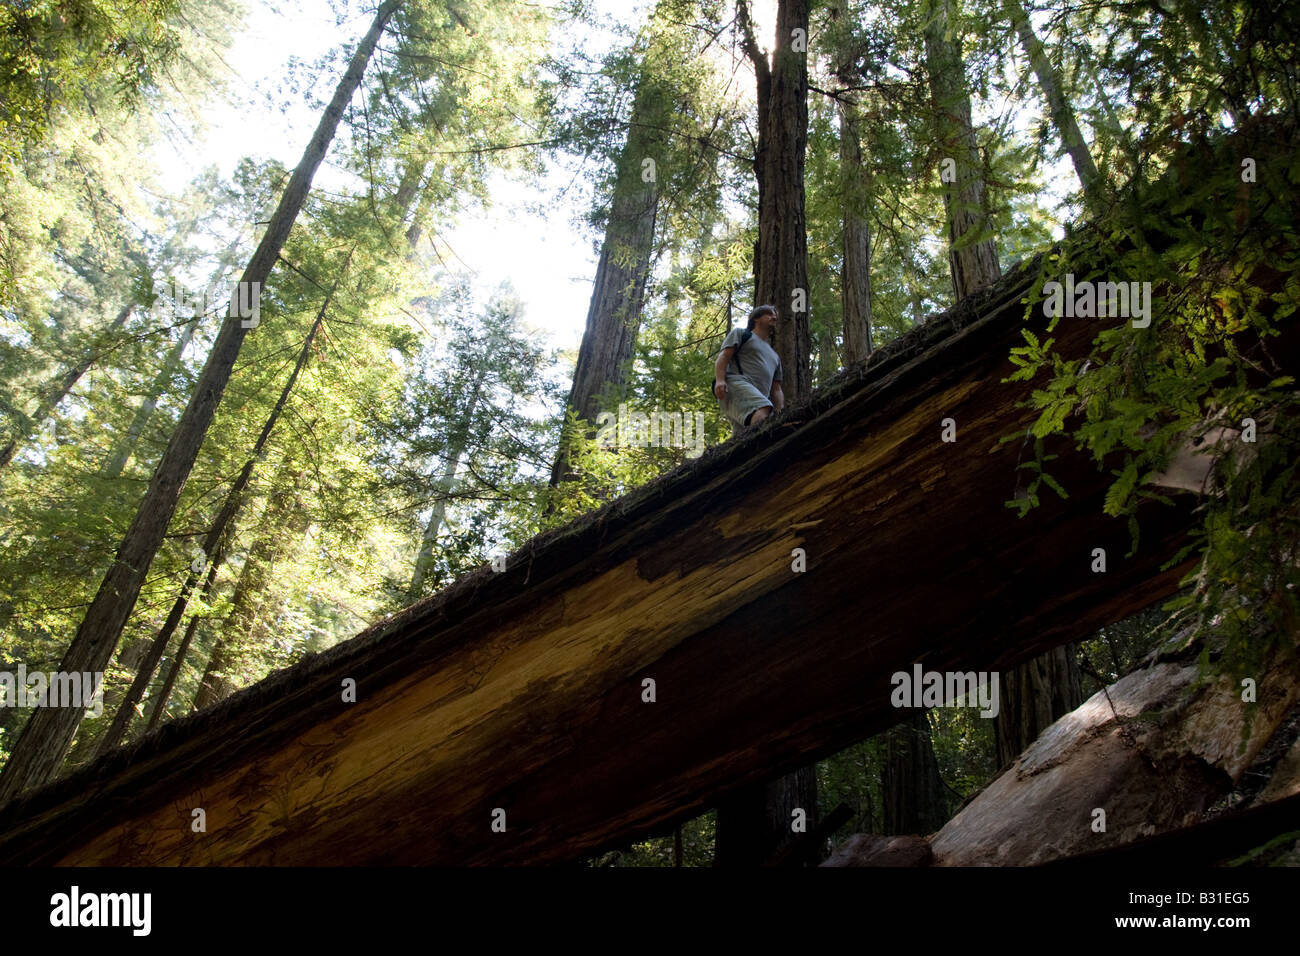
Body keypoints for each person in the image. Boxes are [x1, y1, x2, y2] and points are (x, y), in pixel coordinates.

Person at [713, 304, 784, 435]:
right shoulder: (742, 334)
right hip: (736, 386)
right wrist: (720, 380)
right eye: (768, 314)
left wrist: (780, 411)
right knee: (763, 411)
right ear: (756, 319)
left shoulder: (775, 356)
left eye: (775, 315)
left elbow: (776, 388)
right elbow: (724, 356)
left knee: (742, 437)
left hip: (756, 397)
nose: (773, 317)